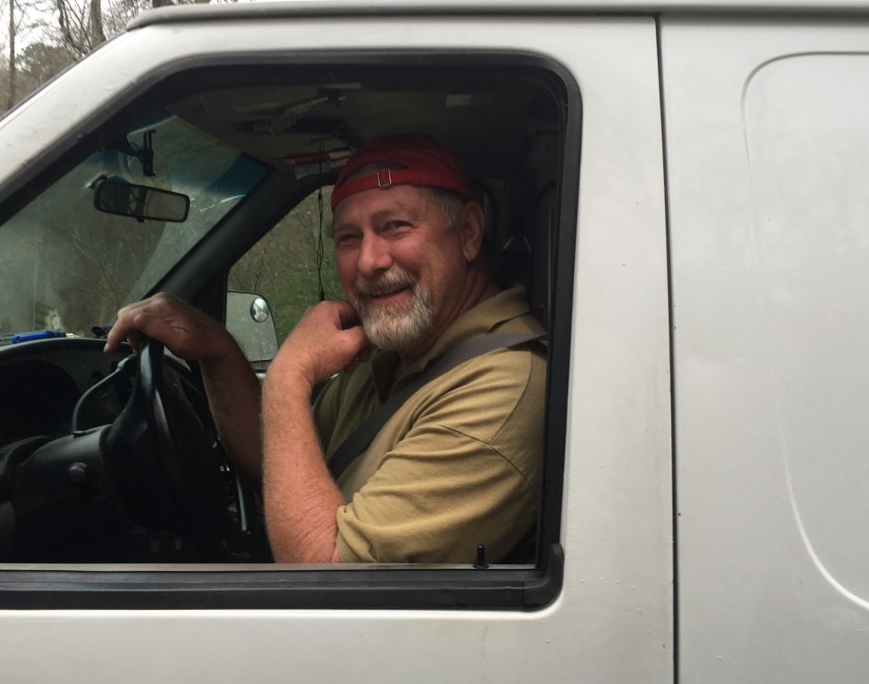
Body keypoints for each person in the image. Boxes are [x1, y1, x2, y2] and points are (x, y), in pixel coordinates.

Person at [104, 135, 546, 563]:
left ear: (468, 232)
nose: (369, 262)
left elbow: (324, 573)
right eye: (349, 238)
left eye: (396, 226)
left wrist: (289, 374)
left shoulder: (504, 388)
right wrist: (216, 349)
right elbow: (284, 469)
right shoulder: (396, 352)